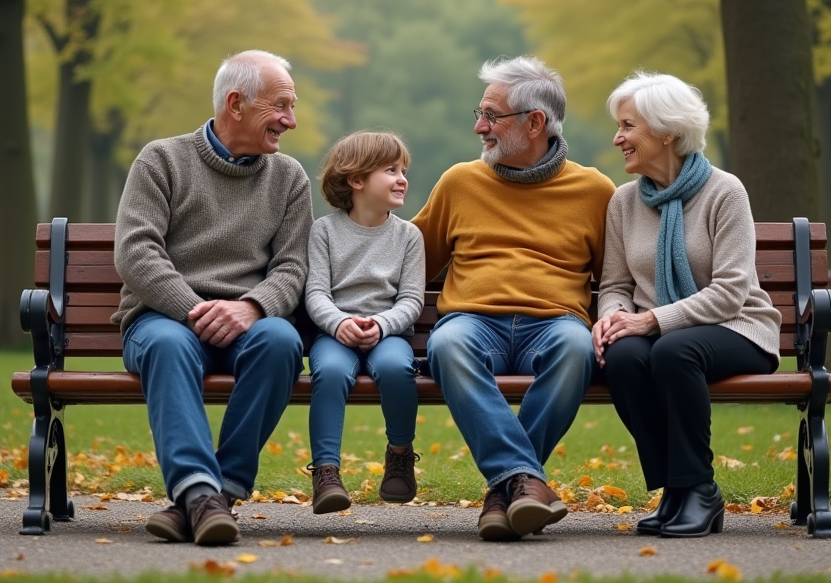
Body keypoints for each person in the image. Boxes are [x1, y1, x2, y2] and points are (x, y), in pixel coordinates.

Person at [112, 50, 312, 546]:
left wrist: (251, 307)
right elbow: (136, 252)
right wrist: (193, 309)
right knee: (168, 345)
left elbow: (293, 267)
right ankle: (202, 494)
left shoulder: (289, 178)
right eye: (281, 106)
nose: (291, 120)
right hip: (164, 318)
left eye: (293, 106)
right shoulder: (161, 160)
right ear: (236, 103)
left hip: (248, 322)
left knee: (281, 342)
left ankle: (212, 494)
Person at [412, 56, 616, 541]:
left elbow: (615, 279)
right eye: (479, 113)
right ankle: (526, 483)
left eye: (491, 116)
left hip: (556, 323)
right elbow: (410, 258)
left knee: (576, 347)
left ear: (535, 122)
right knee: (446, 345)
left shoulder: (595, 190)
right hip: (472, 321)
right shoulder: (460, 181)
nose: (479, 126)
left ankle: (504, 491)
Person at [594, 71, 781, 539]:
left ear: (667, 132)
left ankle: (698, 488)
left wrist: (652, 320)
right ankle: (676, 492)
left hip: (738, 327)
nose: (618, 138)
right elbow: (614, 283)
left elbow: (732, 290)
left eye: (628, 126)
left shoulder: (724, 191)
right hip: (657, 332)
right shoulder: (623, 203)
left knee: (673, 351)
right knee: (622, 355)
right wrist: (613, 317)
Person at [304, 131, 426, 514]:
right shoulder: (324, 231)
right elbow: (316, 293)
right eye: (390, 170)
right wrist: (338, 323)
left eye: (403, 169)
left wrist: (383, 325)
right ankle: (325, 472)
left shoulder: (409, 236)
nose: (402, 177)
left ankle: (400, 456)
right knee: (331, 372)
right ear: (356, 180)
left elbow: (411, 299)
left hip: (387, 334)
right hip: (333, 333)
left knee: (396, 368)